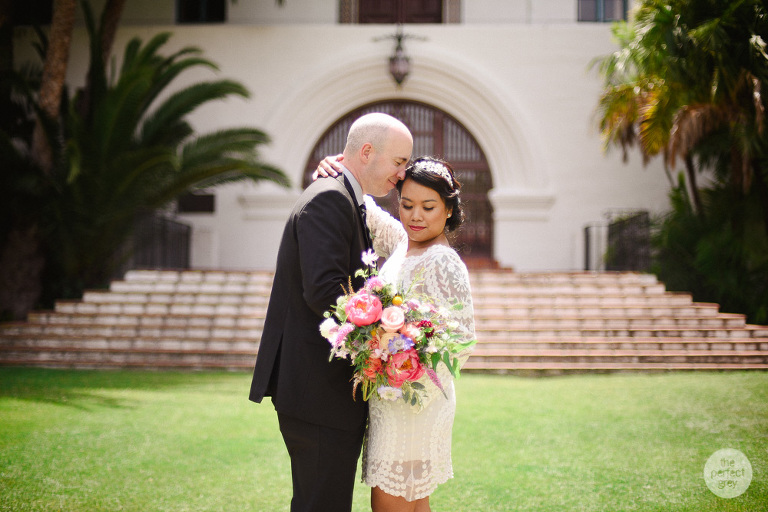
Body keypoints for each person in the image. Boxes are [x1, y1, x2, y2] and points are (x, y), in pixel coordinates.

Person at [249, 112, 413, 512]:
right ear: (367, 151)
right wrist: (390, 331)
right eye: (399, 162)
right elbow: (325, 290)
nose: (402, 174)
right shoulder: (328, 199)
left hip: (323, 393)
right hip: (317, 391)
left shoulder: (346, 198)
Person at [316, 155, 476, 512]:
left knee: (390, 502)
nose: (416, 216)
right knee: (413, 502)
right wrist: (338, 170)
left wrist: (402, 357)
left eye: (428, 207)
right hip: (390, 396)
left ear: (448, 209)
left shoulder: (443, 261)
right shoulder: (403, 242)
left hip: (414, 399)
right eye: (407, 204)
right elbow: (367, 209)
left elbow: (463, 339)